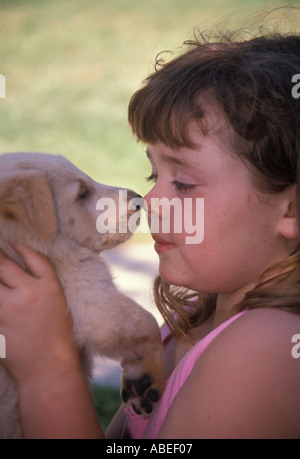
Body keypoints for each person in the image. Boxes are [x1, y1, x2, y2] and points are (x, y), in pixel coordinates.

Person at [0, 24, 300, 439]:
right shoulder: (197, 319)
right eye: (154, 172)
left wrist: (46, 371)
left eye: (183, 183)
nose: (150, 198)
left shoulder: (266, 348)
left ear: (292, 210)